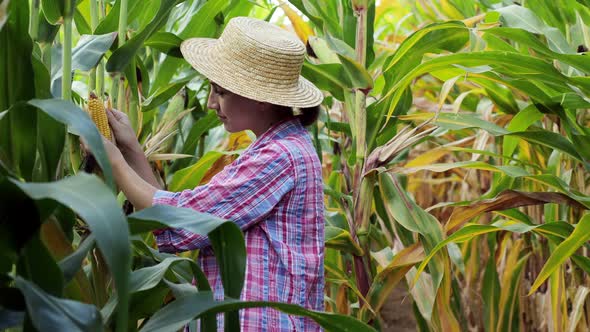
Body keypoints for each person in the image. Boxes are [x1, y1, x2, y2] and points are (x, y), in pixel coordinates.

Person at [99, 16, 325, 331]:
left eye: (220, 92)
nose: (209, 103)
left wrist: (112, 163)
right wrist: (131, 151)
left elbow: (185, 219)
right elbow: (179, 216)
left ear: (259, 97)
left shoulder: (279, 158)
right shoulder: (279, 148)